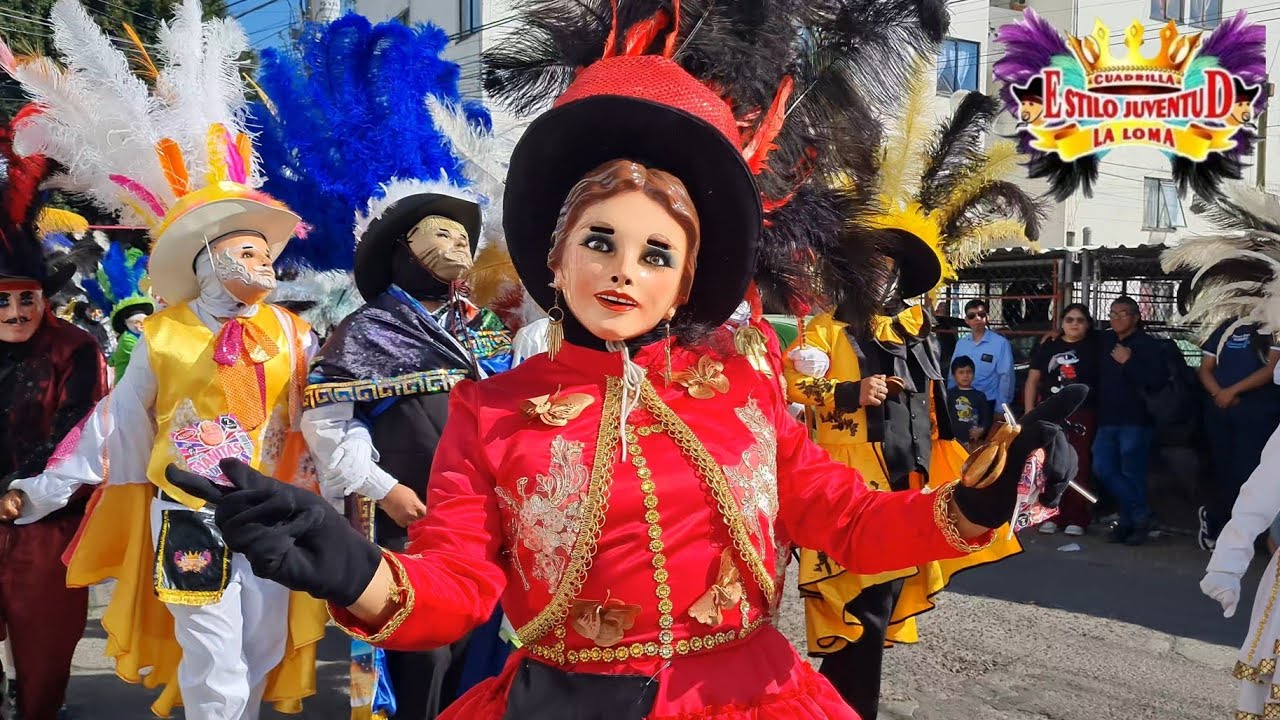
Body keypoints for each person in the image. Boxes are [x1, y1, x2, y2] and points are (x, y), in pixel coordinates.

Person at [161, 4, 1080, 718]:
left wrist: (974, 504)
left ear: (684, 285)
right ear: (555, 260)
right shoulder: (493, 412)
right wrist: (354, 568)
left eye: (656, 253)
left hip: (750, 697)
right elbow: (458, 585)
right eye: (600, 241)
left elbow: (845, 519)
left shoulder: (746, 389)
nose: (623, 271)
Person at [0, 2, 325, 716]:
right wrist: (43, 491)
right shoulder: (163, 334)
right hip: (188, 511)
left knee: (261, 646)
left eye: (264, 250)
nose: (262, 261)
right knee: (212, 656)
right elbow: (114, 425)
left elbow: (321, 421)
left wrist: (359, 484)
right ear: (206, 264)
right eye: (245, 250)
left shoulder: (295, 335)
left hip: (276, 511)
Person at [784, 86, 1039, 719]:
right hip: (845, 483)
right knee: (858, 612)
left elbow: (936, 405)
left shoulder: (918, 332)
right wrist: (851, 390)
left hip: (909, 481)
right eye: (870, 263)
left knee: (876, 612)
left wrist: (976, 446)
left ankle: (838, 707)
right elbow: (794, 385)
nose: (880, 274)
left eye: (889, 266)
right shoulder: (826, 329)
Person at [0, 121, 109, 720]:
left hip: (46, 524)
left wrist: (23, 494)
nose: (17, 311)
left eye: (27, 298)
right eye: (2, 300)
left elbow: (80, 431)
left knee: (43, 661)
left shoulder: (74, 348)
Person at [1196, 319, 1280, 551]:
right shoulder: (1227, 327)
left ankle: (1240, 533)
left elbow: (1270, 369)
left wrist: (1233, 391)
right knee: (1222, 469)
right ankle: (1215, 522)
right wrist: (1219, 393)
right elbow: (1205, 368)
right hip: (1221, 411)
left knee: (1246, 471)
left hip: (1257, 413)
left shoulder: (1273, 327)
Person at [1093, 296, 1165, 546]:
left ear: (1136, 317)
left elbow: (1156, 381)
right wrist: (1056, 334)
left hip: (1136, 420)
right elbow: (1078, 336)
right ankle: (1141, 514)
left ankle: (1129, 524)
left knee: (1131, 473)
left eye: (1122, 313)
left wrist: (1129, 361)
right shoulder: (1106, 341)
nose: (1116, 318)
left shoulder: (1148, 345)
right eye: (1112, 313)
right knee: (1103, 469)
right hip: (1107, 418)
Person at [1025, 303, 1101, 536]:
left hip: (1082, 413)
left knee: (1079, 464)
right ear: (1061, 323)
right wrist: (1029, 413)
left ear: (1088, 324)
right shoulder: (1049, 347)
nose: (1074, 324)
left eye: (1080, 320)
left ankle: (1076, 517)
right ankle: (1050, 513)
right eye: (1069, 320)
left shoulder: (1095, 346)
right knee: (1051, 464)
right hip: (1051, 413)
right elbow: (1032, 380)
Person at [81, 242, 154, 382]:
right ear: (126, 323)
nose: (140, 326)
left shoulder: (144, 335)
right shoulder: (128, 340)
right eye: (136, 322)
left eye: (144, 321)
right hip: (130, 385)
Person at [949, 298, 1016, 410]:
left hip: (988, 403)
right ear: (966, 320)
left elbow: (1006, 378)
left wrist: (1001, 408)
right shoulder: (961, 344)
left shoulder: (1000, 343)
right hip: (962, 403)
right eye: (972, 316)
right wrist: (950, 400)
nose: (977, 318)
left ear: (987, 317)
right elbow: (952, 374)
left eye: (981, 314)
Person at [950, 357, 992, 451]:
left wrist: (981, 430)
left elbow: (986, 418)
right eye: (961, 372)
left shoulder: (980, 396)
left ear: (973, 374)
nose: (965, 375)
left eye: (968, 372)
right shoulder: (948, 395)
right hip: (952, 443)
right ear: (954, 375)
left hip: (973, 443)